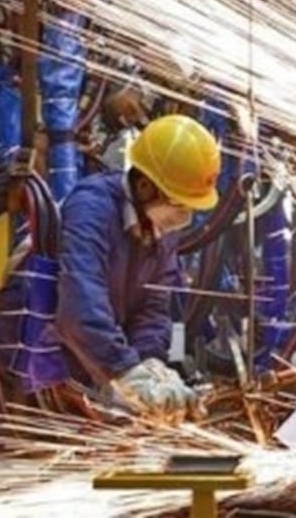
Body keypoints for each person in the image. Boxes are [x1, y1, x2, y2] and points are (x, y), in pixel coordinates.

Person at [54, 113, 221, 423]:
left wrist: (151, 366)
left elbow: (153, 308)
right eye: (179, 205)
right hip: (46, 372)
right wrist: (124, 370)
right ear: (145, 186)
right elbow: (79, 309)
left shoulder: (160, 229)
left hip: (98, 366)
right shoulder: (91, 209)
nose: (184, 219)